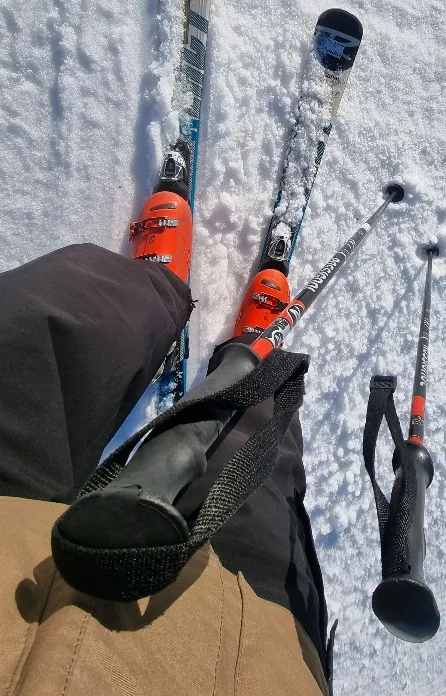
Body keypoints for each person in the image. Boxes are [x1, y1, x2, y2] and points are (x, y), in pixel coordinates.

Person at [0, 243, 331, 696]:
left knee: (52, 311)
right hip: (248, 644)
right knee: (255, 461)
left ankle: (156, 288)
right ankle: (253, 344)